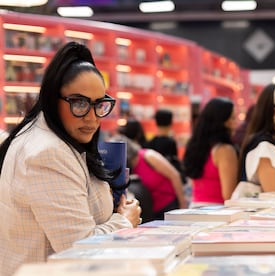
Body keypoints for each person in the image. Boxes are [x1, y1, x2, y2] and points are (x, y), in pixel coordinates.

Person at [0, 42, 141, 276]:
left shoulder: (51, 137)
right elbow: (78, 248)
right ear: (53, 98)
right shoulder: (47, 152)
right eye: (79, 103)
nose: (92, 117)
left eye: (99, 104)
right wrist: (124, 222)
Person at [114, 119, 188, 220]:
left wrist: (182, 205)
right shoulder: (129, 168)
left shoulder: (148, 156)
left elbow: (174, 175)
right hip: (152, 212)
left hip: (170, 205)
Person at [183, 97, 238, 207]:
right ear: (225, 122)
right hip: (217, 211)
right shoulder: (225, 151)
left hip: (195, 207)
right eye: (233, 118)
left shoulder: (196, 147)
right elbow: (229, 195)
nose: (236, 123)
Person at [147, 109, 186, 185]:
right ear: (170, 122)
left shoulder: (151, 142)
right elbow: (174, 163)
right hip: (168, 180)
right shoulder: (171, 142)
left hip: (154, 180)